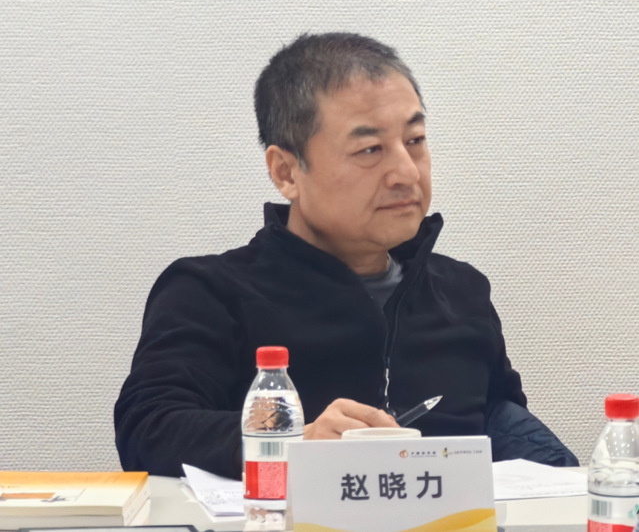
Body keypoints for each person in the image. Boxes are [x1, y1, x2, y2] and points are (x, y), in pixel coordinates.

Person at [114, 32, 577, 479]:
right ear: (286, 172)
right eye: (370, 149)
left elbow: (504, 425)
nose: (406, 173)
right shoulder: (209, 292)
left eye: (414, 141)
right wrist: (291, 444)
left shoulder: (461, 291)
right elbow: (149, 428)